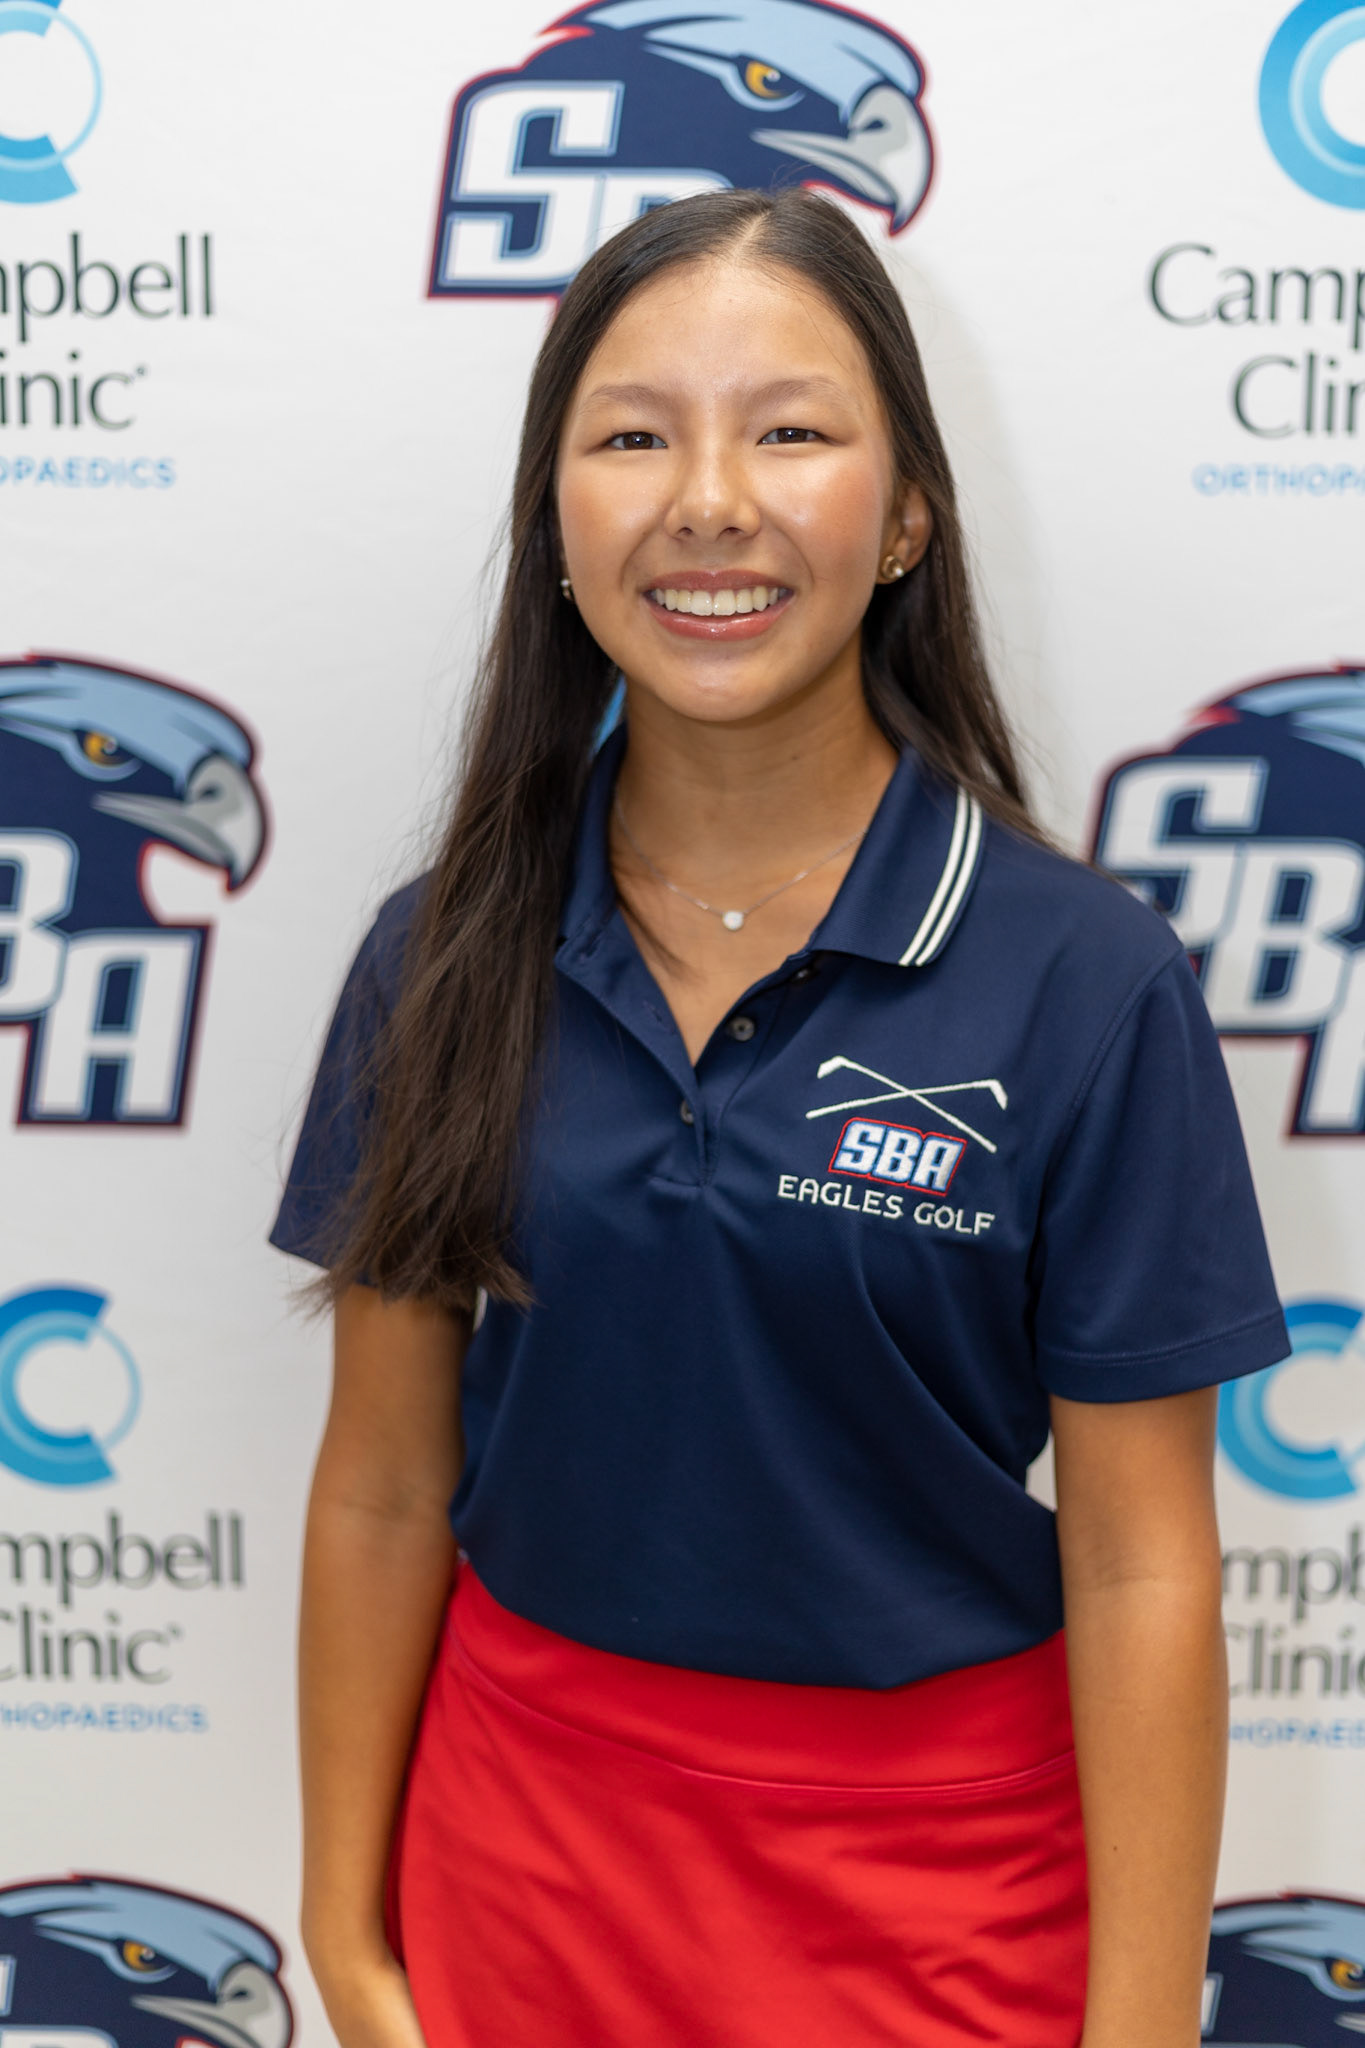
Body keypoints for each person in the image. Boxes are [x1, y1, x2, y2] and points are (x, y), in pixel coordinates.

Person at [270, 187, 1289, 2048]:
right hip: (518, 1868)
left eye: (792, 430)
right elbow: (386, 1479)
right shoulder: (437, 956)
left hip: (932, 1898)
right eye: (634, 433)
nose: (709, 499)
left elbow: (1141, 1562)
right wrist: (346, 1933)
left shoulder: (1085, 980)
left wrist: (1138, 2024)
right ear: (554, 515)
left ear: (904, 516)